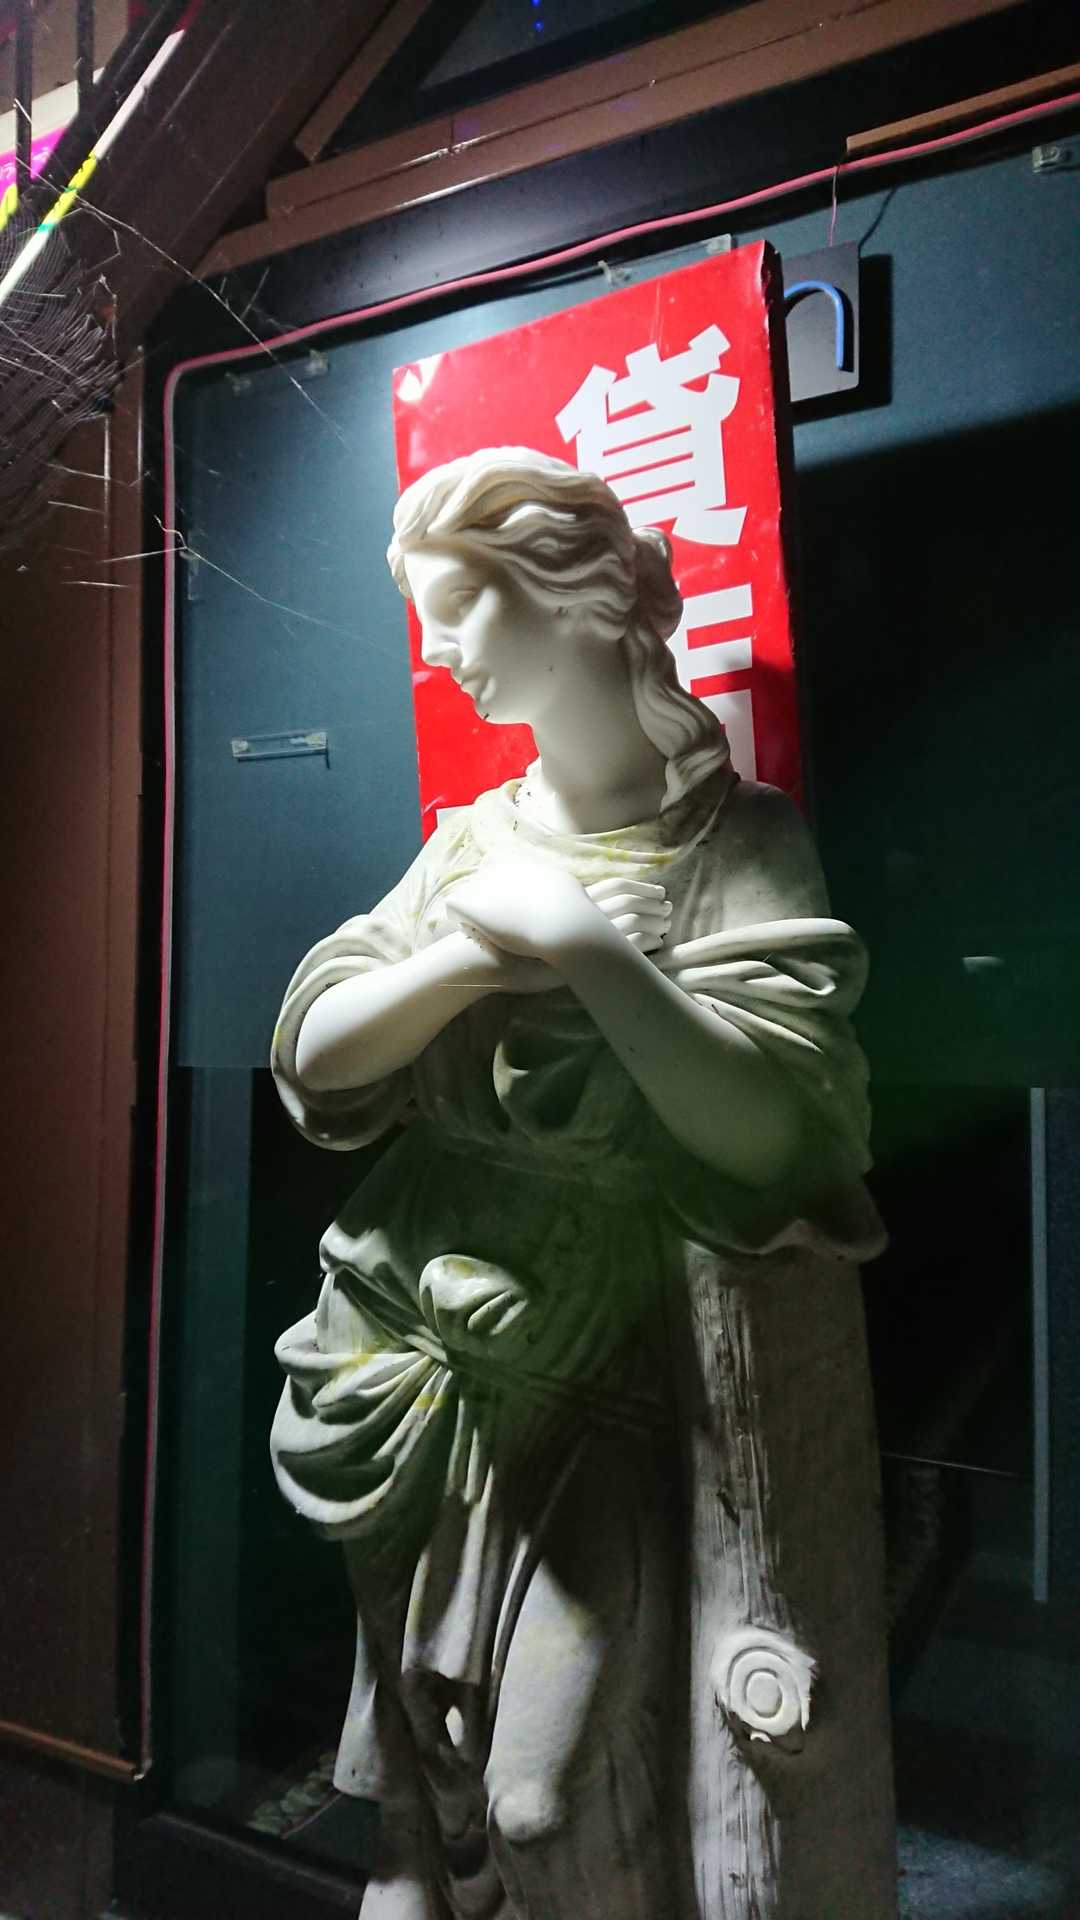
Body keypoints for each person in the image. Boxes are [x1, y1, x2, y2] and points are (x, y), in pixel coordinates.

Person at [270, 448, 896, 1919]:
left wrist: (589, 947)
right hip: (401, 1344)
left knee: (550, 1800)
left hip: (601, 1364)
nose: (439, 649)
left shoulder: (738, 841)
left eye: (462, 608)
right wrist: (477, 953)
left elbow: (777, 1132)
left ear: (576, 596)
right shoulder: (473, 844)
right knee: (418, 1797)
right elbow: (314, 1053)